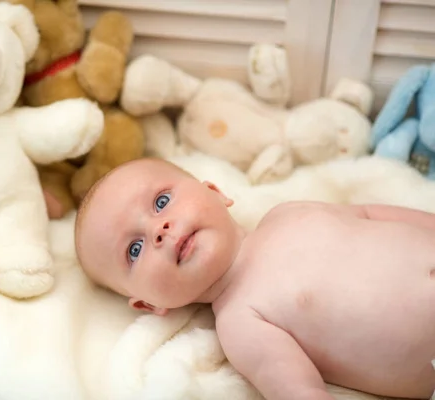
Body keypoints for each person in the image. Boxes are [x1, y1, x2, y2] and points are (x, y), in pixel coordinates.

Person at [74, 157, 435, 400]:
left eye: (161, 201)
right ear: (151, 304)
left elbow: (371, 213)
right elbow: (300, 391)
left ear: (215, 192)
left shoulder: (287, 213)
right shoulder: (240, 322)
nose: (159, 229)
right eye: (134, 250)